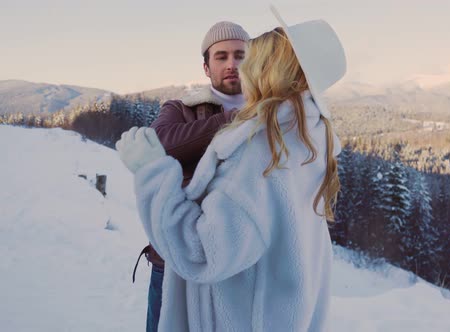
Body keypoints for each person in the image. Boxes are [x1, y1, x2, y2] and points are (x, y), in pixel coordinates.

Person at [117, 6, 346, 331]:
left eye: (247, 58)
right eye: (222, 57)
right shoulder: (307, 135)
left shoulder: (261, 147)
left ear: (269, 69)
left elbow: (202, 251)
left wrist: (152, 175)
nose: (238, 67)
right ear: (206, 65)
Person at [129, 21, 250, 332]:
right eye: (221, 57)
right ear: (206, 67)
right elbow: (160, 145)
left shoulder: (267, 113)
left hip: (241, 263)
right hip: (174, 259)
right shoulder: (181, 108)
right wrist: (231, 121)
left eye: (240, 55)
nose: (232, 64)